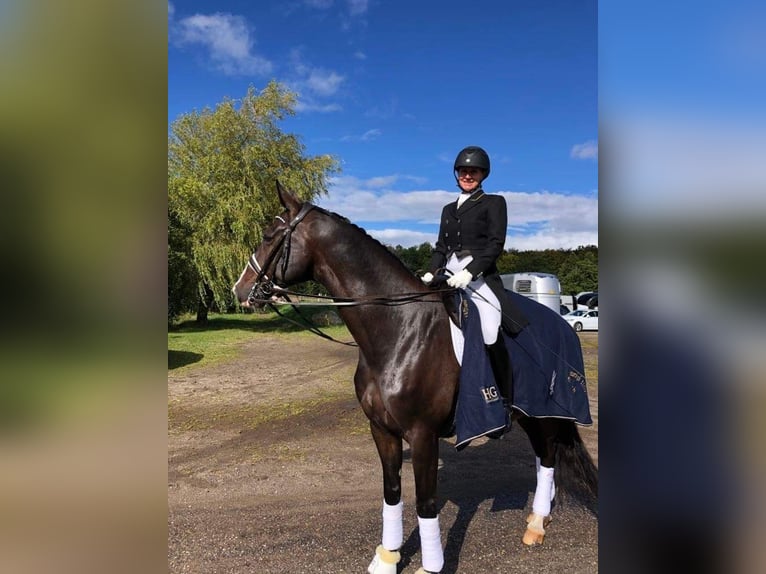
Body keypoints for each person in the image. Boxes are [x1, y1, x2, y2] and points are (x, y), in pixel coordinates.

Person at [421, 145, 529, 413]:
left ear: (482, 175)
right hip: (447, 274)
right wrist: (432, 271)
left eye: (473, 171)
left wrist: (470, 272)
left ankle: (505, 397)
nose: (467, 175)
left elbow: (495, 245)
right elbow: (441, 247)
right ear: (456, 174)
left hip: (478, 276)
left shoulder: (494, 203)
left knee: (491, 328)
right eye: (463, 171)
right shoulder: (448, 209)